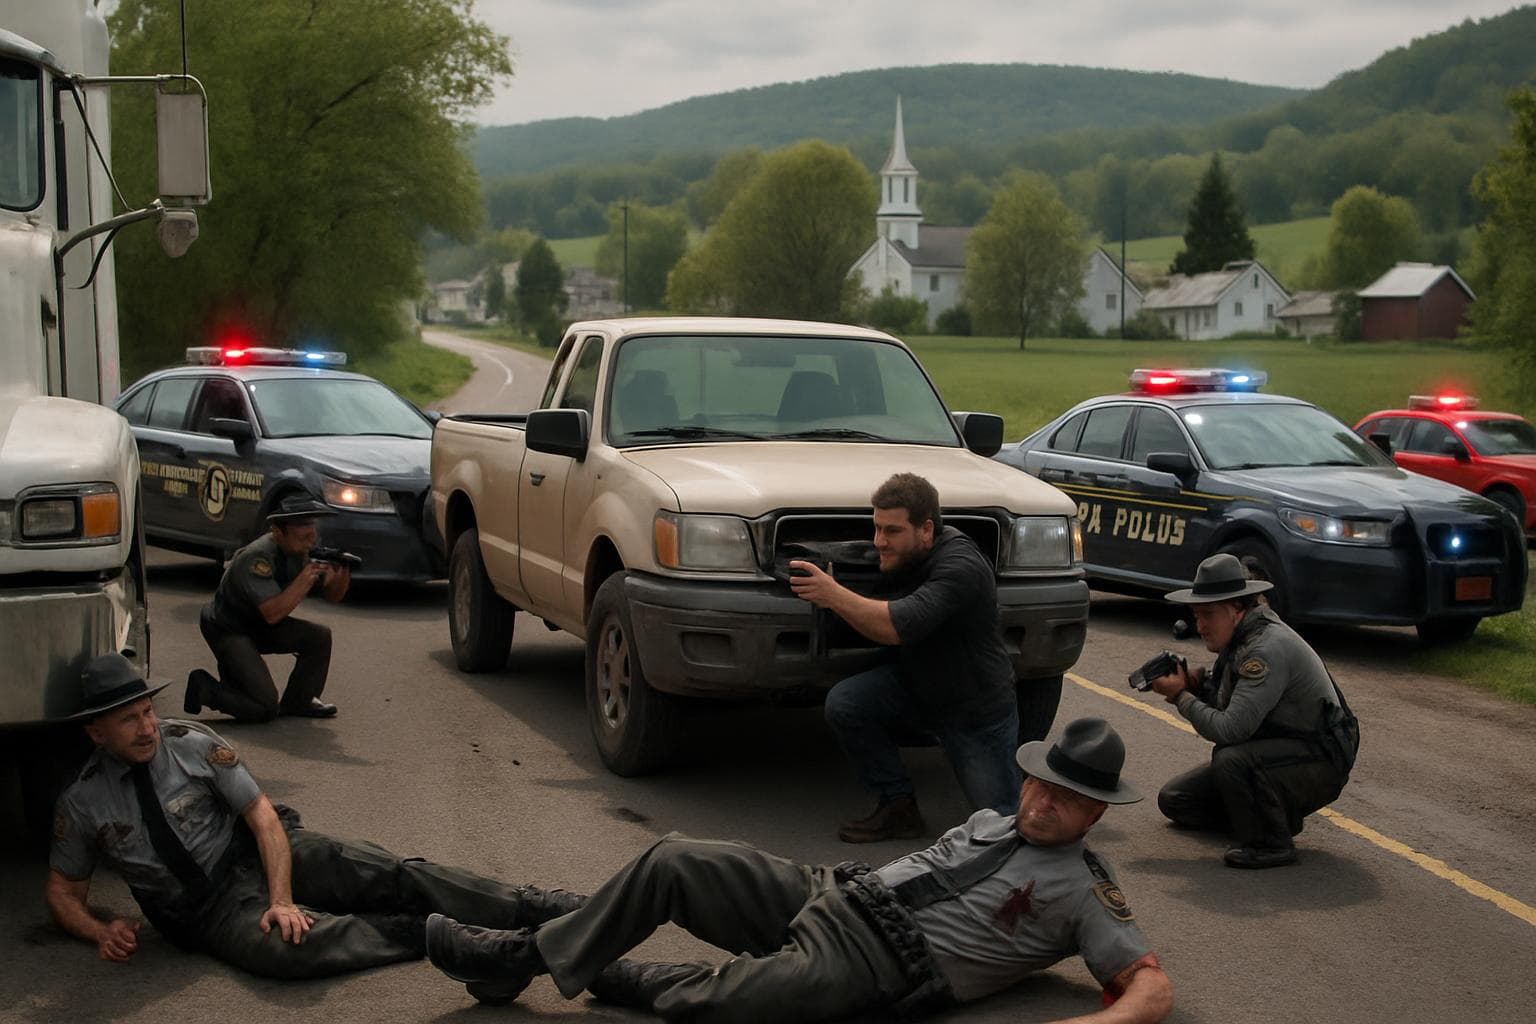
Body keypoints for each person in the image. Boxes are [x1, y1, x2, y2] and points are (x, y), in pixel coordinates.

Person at [424, 717, 1172, 1024]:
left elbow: (1150, 984)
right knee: (676, 856)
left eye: (1067, 798)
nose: (1042, 803)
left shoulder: (1085, 886)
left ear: (1096, 813)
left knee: (727, 1002)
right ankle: (517, 961)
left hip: (880, 966)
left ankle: (596, 969)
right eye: (1040, 782)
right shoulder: (992, 820)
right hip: (837, 891)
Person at [45, 653, 584, 977]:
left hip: (257, 850)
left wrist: (281, 898)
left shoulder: (192, 744)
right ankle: (449, 939)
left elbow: (260, 816)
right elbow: (63, 893)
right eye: (127, 721)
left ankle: (532, 905)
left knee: (381, 871)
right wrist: (99, 930)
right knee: (291, 950)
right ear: (96, 733)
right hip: (202, 911)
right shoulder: (83, 801)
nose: (146, 729)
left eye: (147, 712)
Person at [790, 472, 1021, 843]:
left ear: (926, 529)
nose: (879, 541)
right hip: (919, 686)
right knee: (847, 702)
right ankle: (899, 809)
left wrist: (832, 594)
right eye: (877, 528)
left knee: (1004, 831)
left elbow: (892, 628)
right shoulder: (908, 555)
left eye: (892, 531)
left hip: (973, 710)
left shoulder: (960, 568)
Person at [1147, 553, 1359, 869]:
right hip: (1286, 749)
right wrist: (1197, 686)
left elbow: (1231, 729)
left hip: (1321, 760)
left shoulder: (1264, 648)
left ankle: (1271, 843)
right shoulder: (1242, 637)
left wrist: (1180, 696)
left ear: (1237, 609)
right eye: (1196, 614)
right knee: (1177, 800)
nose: (1200, 625)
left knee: (1231, 758)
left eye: (1209, 614)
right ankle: (1270, 819)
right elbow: (1229, 705)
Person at [187, 493, 348, 721]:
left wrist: (340, 577)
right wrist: (306, 578)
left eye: (311, 524)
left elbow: (333, 597)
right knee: (264, 707)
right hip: (229, 627)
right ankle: (208, 689)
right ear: (277, 531)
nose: (311, 533)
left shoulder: (299, 550)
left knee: (319, 636)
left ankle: (299, 701)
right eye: (301, 525)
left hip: (260, 624)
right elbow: (272, 613)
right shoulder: (257, 558)